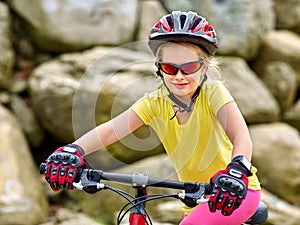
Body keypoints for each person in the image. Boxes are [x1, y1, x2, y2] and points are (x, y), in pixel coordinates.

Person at [42, 11, 261, 225]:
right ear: (159, 70)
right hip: (196, 198)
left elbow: (241, 135)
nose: (179, 76)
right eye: (169, 68)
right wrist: (73, 150)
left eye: (189, 67)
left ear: (203, 68)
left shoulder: (213, 93)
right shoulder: (154, 102)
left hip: (235, 193)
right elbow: (110, 130)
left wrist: (237, 171)